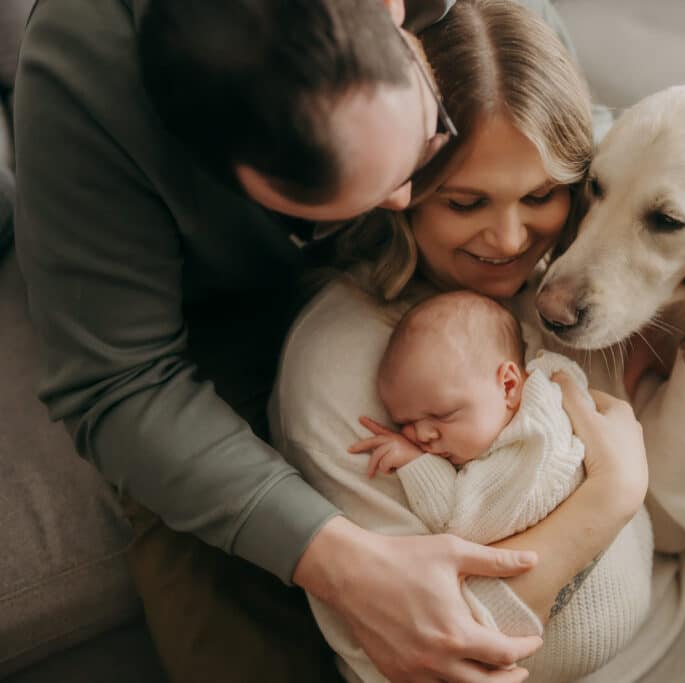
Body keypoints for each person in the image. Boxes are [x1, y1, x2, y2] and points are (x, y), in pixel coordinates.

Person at [271, 0, 685, 681]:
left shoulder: (571, 298)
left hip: (676, 636)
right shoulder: (339, 362)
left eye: (540, 196)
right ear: (401, 190)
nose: (511, 240)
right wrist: (610, 493)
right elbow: (430, 656)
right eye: (466, 202)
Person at [13, 0, 585, 681]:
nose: (400, 199)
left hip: (434, 290)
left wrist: (610, 493)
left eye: (429, 140)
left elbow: (565, 135)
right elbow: (119, 381)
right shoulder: (87, 76)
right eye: (337, 206)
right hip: (209, 343)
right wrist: (342, 563)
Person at [337, 289, 653, 681]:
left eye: (443, 414)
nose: (423, 435)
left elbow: (464, 523)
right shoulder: (551, 385)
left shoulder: (532, 442)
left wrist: (417, 465)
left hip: (596, 617)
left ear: (508, 385)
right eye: (405, 423)